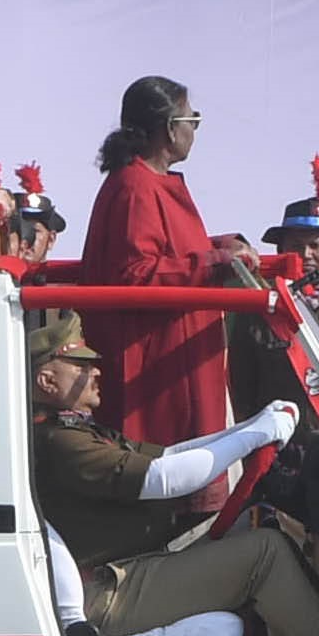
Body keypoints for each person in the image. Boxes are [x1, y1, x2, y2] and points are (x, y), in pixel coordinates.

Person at [22, 311, 319, 636]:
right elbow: (165, 478)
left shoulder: (68, 430)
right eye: (79, 364)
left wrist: (249, 430)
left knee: (253, 530)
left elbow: (166, 456)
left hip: (120, 574)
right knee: (265, 555)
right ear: (47, 379)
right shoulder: (59, 442)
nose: (96, 371)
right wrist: (253, 436)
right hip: (104, 593)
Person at [76, 76, 250, 447]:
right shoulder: (137, 187)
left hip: (175, 357)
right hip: (156, 368)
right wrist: (215, 261)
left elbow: (166, 250)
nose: (194, 130)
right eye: (193, 120)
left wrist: (221, 246)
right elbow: (136, 274)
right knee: (172, 477)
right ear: (171, 129)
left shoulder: (145, 182)